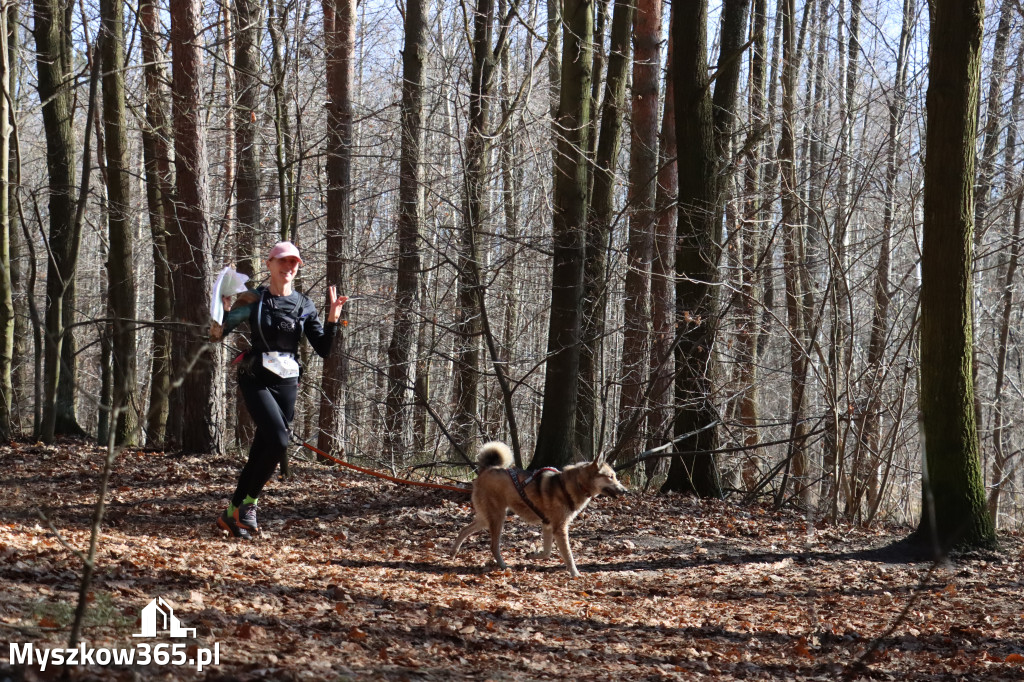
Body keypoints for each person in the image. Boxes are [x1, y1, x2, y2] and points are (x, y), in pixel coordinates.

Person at [210, 241, 347, 539]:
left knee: (264, 447)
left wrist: (332, 319)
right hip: (255, 375)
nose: (288, 267)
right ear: (270, 264)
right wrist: (223, 311)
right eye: (283, 262)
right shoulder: (252, 298)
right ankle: (249, 506)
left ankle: (232, 513)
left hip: (287, 380)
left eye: (294, 263)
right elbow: (218, 334)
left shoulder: (304, 304)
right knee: (279, 439)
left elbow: (323, 349)